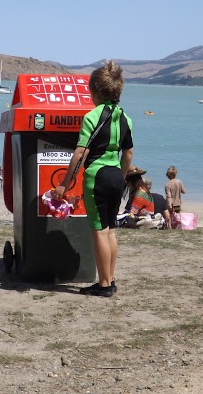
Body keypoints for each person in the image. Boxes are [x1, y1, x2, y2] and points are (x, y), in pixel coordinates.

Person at [53, 60, 133, 298]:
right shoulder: (125, 118)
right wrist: (121, 177)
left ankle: (104, 284)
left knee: (99, 231)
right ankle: (111, 278)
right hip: (116, 176)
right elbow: (128, 153)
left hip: (97, 176)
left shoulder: (91, 117)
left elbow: (81, 153)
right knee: (110, 230)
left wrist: (64, 184)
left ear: (94, 91)